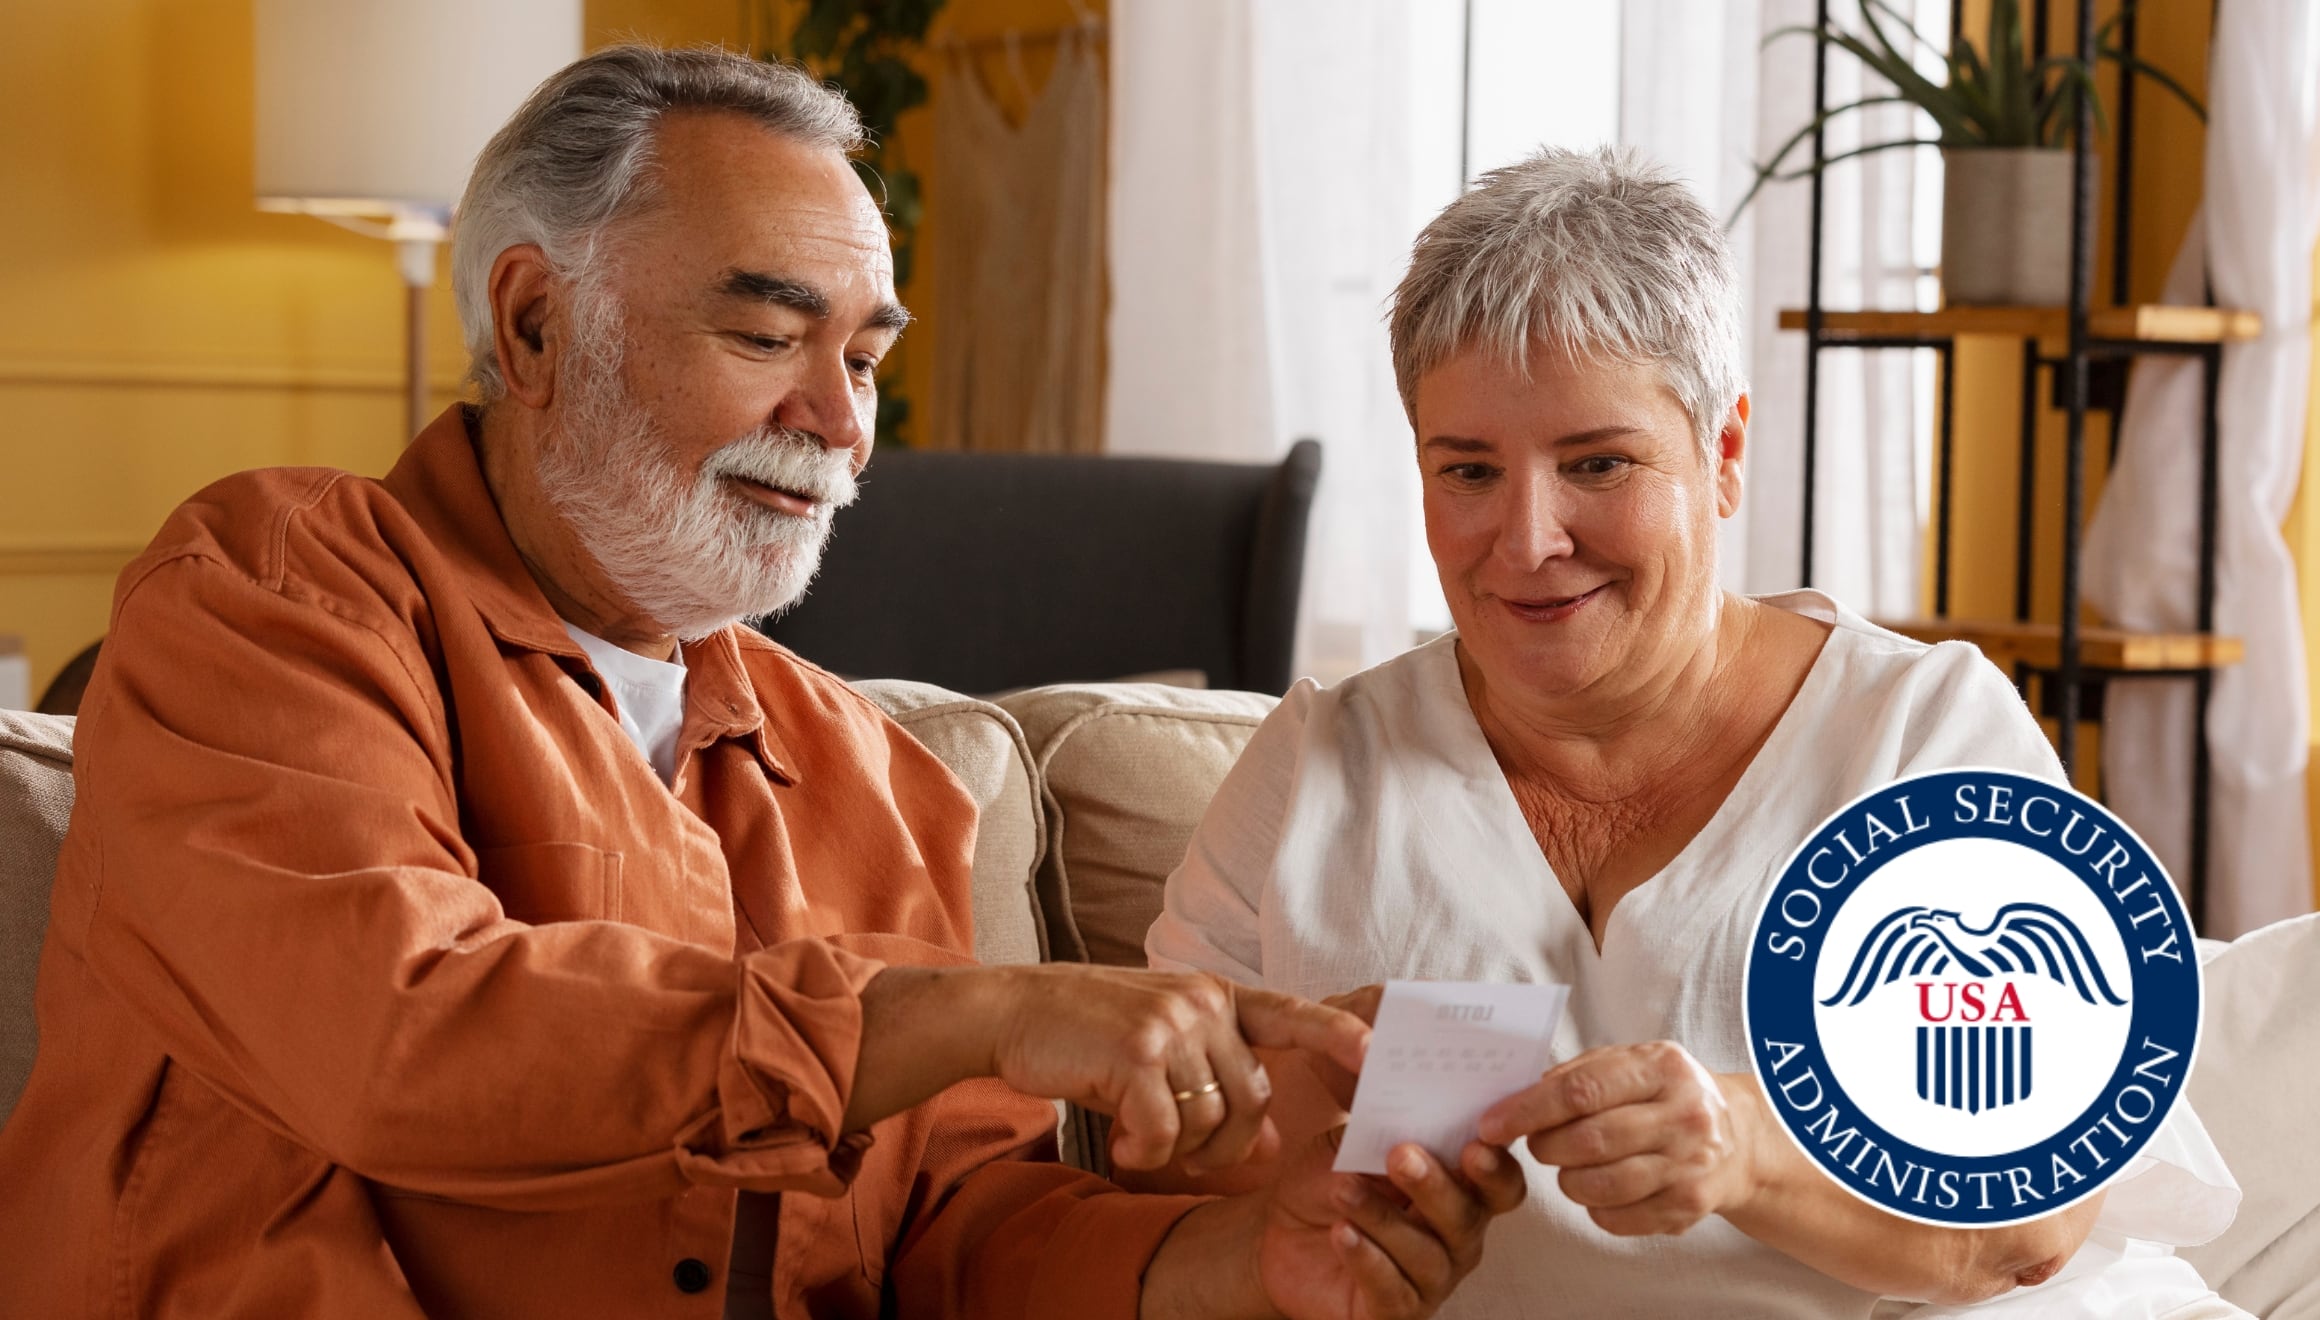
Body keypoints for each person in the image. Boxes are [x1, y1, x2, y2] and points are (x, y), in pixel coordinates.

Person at [0, 46, 1528, 1320]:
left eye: (863, 357)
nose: (840, 424)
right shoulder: (270, 593)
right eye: (763, 333)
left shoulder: (864, 770)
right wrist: (970, 1009)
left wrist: (1243, 1262)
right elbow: (403, 1035)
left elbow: (953, 1234)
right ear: (533, 324)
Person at [1144, 146, 2244, 1318]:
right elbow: (1146, 1173)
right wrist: (1287, 1110)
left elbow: (2030, 1225)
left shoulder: (1917, 736)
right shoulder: (1321, 766)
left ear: (1720, 455)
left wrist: (1749, 1152)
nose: (1525, 541)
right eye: (1467, 471)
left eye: (1597, 463)